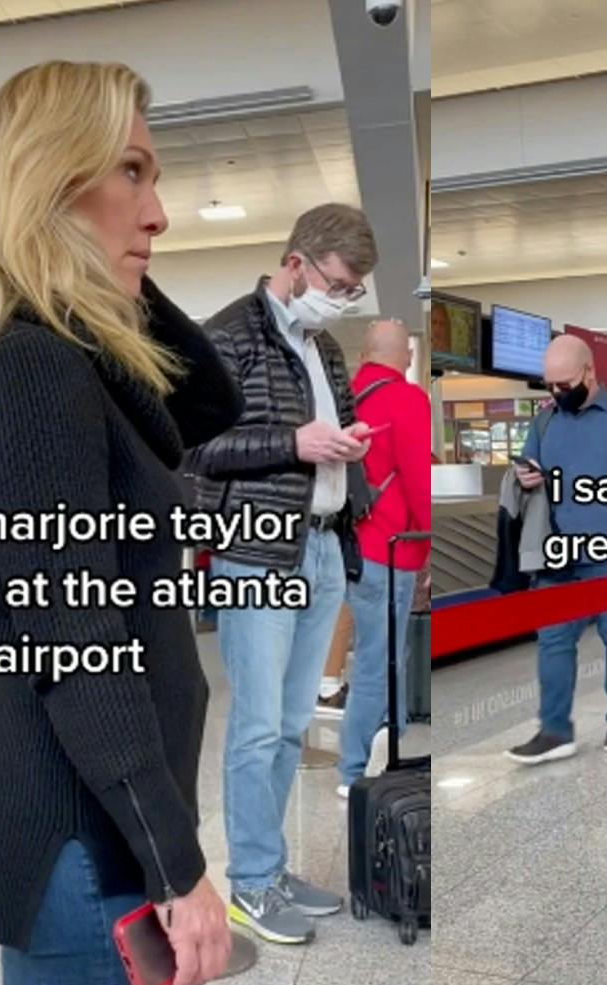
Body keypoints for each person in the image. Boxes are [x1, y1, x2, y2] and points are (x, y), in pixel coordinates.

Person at [0, 60, 242, 985]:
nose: (159, 212)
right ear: (50, 181)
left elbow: (207, 404)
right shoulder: (29, 367)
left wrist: (114, 269)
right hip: (86, 841)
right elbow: (78, 641)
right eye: (132, 172)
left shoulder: (58, 349)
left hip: (94, 824)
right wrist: (176, 867)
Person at [182, 202, 379, 945]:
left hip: (323, 543)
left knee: (294, 726)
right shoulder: (226, 335)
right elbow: (193, 449)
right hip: (258, 550)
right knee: (259, 726)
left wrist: (345, 445)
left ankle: (273, 866)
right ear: (296, 262)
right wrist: (293, 443)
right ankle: (251, 885)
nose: (343, 298)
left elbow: (327, 433)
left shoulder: (324, 348)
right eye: (338, 283)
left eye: (354, 291)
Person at [503, 334, 607, 765]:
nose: (557, 392)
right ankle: (555, 729)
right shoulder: (544, 423)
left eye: (564, 383)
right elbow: (531, 470)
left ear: (588, 372)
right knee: (553, 641)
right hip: (557, 555)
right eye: (549, 385)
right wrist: (527, 478)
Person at [338, 318, 432, 797]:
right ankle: (353, 770)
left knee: (381, 652)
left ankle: (389, 750)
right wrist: (428, 543)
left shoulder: (345, 396)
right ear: (407, 358)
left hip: (347, 544)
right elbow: (418, 478)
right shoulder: (408, 398)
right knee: (380, 657)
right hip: (391, 545)